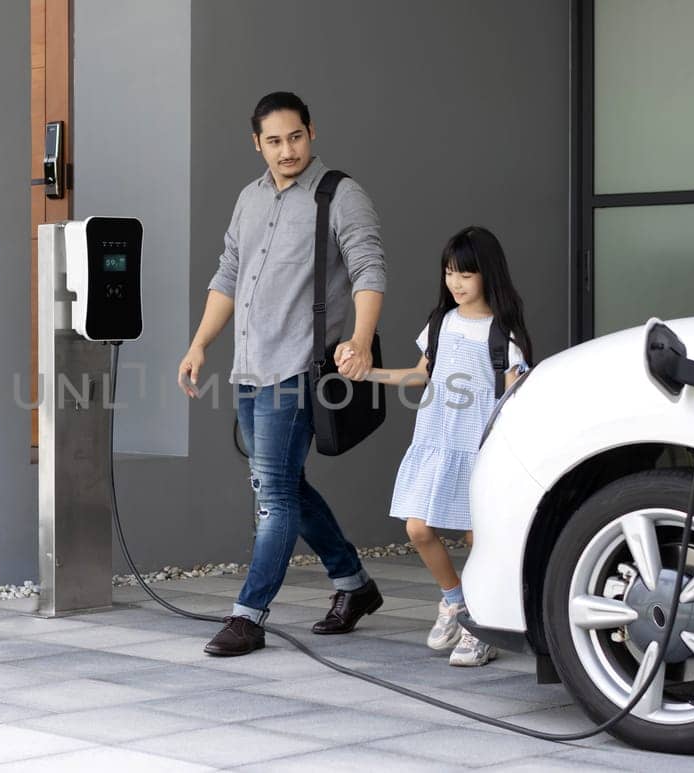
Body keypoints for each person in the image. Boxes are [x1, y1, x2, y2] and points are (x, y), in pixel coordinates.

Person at [177, 91, 388, 657]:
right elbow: (228, 275)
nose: (286, 149)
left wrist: (361, 341)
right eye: (274, 141)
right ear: (257, 143)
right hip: (249, 368)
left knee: (273, 495)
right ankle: (354, 585)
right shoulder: (249, 199)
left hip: (297, 370)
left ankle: (248, 615)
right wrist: (200, 344)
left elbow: (369, 268)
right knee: (284, 485)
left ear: (311, 132)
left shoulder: (340, 195)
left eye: (295, 137)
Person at [356, 226, 533, 666]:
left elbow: (514, 399)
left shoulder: (503, 334)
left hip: (478, 449)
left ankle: (480, 624)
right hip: (436, 440)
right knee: (418, 528)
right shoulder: (440, 322)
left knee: (479, 538)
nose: (455, 282)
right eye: (450, 272)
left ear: (487, 276)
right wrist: (369, 375)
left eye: (465, 274)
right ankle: (454, 601)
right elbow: (421, 376)